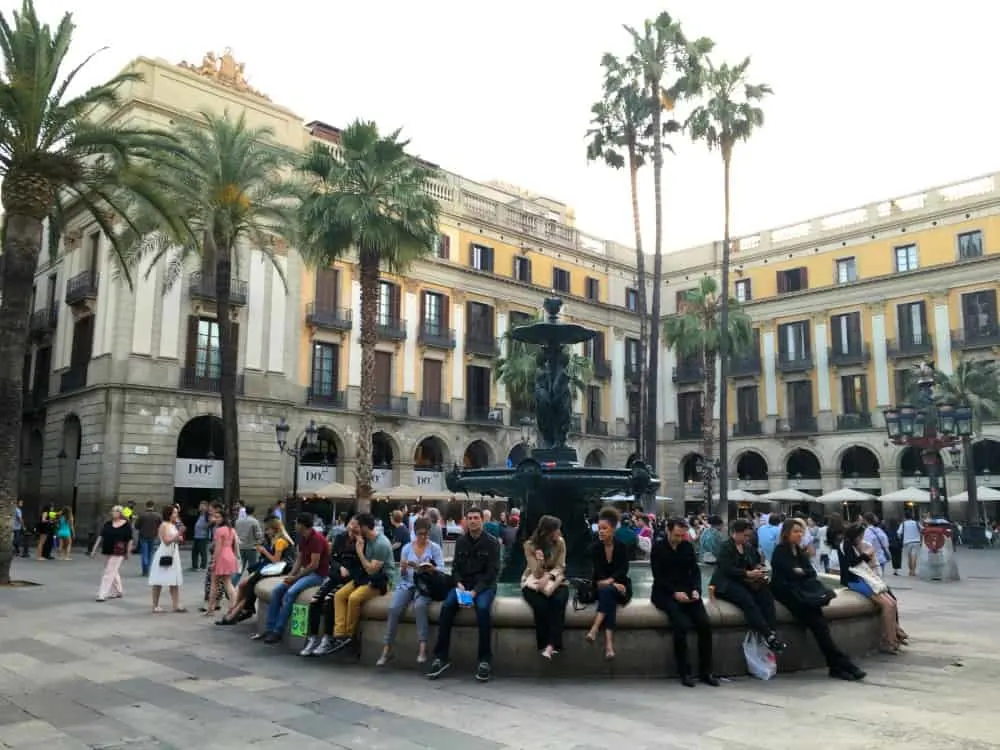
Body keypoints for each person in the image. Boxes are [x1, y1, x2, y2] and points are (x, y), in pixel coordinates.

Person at [770, 519, 865, 681]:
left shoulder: (799, 551)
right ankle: (842, 664)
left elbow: (809, 572)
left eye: (801, 531)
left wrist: (800, 572)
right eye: (795, 531)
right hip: (790, 595)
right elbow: (790, 573)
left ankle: (838, 665)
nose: (799, 535)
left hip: (804, 594)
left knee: (821, 628)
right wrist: (799, 572)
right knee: (820, 627)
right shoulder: (780, 551)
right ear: (786, 533)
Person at [426, 507, 500, 682]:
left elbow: (493, 572)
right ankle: (441, 656)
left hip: (484, 586)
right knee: (447, 607)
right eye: (470, 518)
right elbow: (456, 568)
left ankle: (484, 660)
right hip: (462, 584)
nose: (473, 521)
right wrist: (458, 584)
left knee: (482, 609)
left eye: (476, 518)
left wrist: (475, 592)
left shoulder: (492, 542)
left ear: (482, 520)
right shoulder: (461, 541)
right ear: (466, 521)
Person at [650, 518, 719, 687]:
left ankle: (706, 671)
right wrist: (674, 593)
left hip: (688, 592)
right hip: (664, 593)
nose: (679, 539)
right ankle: (684, 671)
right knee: (680, 625)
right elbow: (658, 576)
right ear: (668, 530)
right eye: (676, 535)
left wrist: (696, 589)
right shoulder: (658, 548)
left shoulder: (687, 547)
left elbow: (695, 572)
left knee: (704, 624)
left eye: (682, 535)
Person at [711, 519, 786, 653]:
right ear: (734, 533)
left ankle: (772, 631)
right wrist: (747, 573)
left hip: (744, 581)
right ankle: (767, 635)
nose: (747, 538)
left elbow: (754, 562)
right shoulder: (726, 547)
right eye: (744, 535)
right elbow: (726, 568)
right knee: (747, 600)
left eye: (748, 536)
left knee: (766, 595)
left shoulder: (748, 547)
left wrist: (759, 569)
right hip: (726, 583)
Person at [378, 516, 445, 666]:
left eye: (426, 534)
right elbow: (402, 574)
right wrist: (403, 568)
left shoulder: (434, 548)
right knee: (394, 608)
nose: (423, 537)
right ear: (415, 533)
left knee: (420, 606)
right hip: (408, 583)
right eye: (420, 534)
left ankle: (422, 646)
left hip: (425, 585)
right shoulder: (407, 548)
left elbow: (441, 570)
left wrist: (432, 568)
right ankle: (387, 647)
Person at [328, 512, 395, 652]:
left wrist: (359, 551)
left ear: (364, 527)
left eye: (357, 526)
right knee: (339, 595)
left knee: (354, 598)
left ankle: (349, 635)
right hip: (364, 578)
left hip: (381, 581)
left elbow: (372, 570)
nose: (354, 529)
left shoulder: (381, 544)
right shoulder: (366, 540)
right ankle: (339, 633)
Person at [261, 512, 330, 644]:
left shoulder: (317, 539)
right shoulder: (303, 537)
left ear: (302, 525)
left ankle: (278, 631)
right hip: (306, 572)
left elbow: (314, 565)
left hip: (317, 575)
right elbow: (299, 559)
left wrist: (296, 578)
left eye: (297, 523)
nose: (295, 525)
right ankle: (270, 628)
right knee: (277, 591)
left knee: (291, 592)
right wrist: (291, 576)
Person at [300, 517, 364, 655]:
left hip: (350, 578)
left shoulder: (363, 541)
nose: (353, 527)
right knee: (315, 600)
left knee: (330, 600)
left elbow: (362, 563)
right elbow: (332, 558)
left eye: (356, 525)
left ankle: (328, 638)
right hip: (336, 575)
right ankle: (312, 637)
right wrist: (340, 567)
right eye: (351, 524)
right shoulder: (341, 537)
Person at [840, 524, 905, 654]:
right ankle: (888, 641)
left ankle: (892, 637)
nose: (862, 538)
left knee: (891, 603)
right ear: (856, 536)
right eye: (861, 536)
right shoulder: (846, 544)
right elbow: (853, 562)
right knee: (887, 604)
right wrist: (866, 554)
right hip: (855, 580)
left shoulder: (852, 545)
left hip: (863, 578)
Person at [219, 516, 295, 626]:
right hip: (272, 567)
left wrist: (263, 551)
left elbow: (276, 560)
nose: (266, 532)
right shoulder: (276, 539)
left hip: (278, 569)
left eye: (268, 529)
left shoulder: (280, 541)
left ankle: (240, 611)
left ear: (274, 529)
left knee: (249, 584)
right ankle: (234, 611)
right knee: (244, 585)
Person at [585, 506, 631, 661]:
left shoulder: (622, 547)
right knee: (607, 594)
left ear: (613, 529)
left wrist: (611, 582)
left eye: (605, 528)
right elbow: (598, 572)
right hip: (601, 584)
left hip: (620, 586)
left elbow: (623, 569)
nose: (601, 531)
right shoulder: (594, 548)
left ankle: (595, 628)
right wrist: (610, 583)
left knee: (608, 594)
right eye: (599, 528)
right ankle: (609, 645)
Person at [521, 515, 569, 661]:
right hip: (533, 581)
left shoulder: (560, 543)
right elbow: (535, 572)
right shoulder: (529, 545)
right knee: (540, 605)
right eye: (556, 530)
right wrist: (540, 560)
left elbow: (561, 566)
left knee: (558, 602)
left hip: (556, 580)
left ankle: (551, 645)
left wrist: (549, 577)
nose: (559, 532)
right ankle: (545, 644)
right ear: (547, 532)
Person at [91, 505, 133, 601]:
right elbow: (101, 536)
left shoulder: (126, 525)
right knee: (113, 570)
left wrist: (128, 552)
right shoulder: (108, 524)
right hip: (107, 549)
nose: (113, 513)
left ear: (120, 513)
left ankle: (102, 594)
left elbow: (130, 540)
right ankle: (118, 591)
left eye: (115, 511)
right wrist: (94, 549)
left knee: (108, 572)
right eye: (112, 511)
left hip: (118, 551)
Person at [148, 505, 185, 613]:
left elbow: (175, 540)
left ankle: (176, 604)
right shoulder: (163, 525)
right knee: (158, 580)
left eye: (176, 513)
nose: (176, 515)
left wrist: (179, 538)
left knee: (174, 581)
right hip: (164, 553)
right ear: (168, 514)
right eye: (174, 513)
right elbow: (166, 541)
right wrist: (178, 534)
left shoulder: (173, 525)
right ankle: (155, 605)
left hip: (174, 553)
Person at [205, 505, 240, 616]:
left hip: (221, 556)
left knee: (214, 584)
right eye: (215, 516)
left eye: (218, 517)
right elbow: (235, 545)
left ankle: (210, 609)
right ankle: (233, 607)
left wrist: (214, 561)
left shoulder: (219, 530)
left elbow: (218, 547)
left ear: (223, 518)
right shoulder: (231, 529)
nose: (215, 519)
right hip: (230, 555)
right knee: (227, 583)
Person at [135, 501, 162, 576]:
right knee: (150, 553)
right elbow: (161, 525)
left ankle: (145, 570)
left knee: (144, 553)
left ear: (146, 506)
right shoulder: (158, 515)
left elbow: (136, 526)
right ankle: (148, 569)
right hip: (153, 536)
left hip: (143, 536)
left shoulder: (142, 515)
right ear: (153, 506)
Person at [897, 511, 922, 576]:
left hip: (906, 542)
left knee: (909, 557)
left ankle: (910, 571)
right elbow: (922, 529)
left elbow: (899, 533)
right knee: (914, 557)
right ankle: (913, 571)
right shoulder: (916, 523)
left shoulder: (903, 524)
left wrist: (900, 538)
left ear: (905, 517)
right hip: (916, 541)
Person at [191, 501, 211, 570]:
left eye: (202, 506)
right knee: (194, 552)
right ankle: (195, 566)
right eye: (200, 505)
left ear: (206, 507)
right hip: (196, 536)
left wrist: (206, 526)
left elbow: (211, 522)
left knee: (202, 552)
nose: (200, 507)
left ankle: (203, 566)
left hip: (203, 536)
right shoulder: (199, 514)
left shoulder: (207, 515)